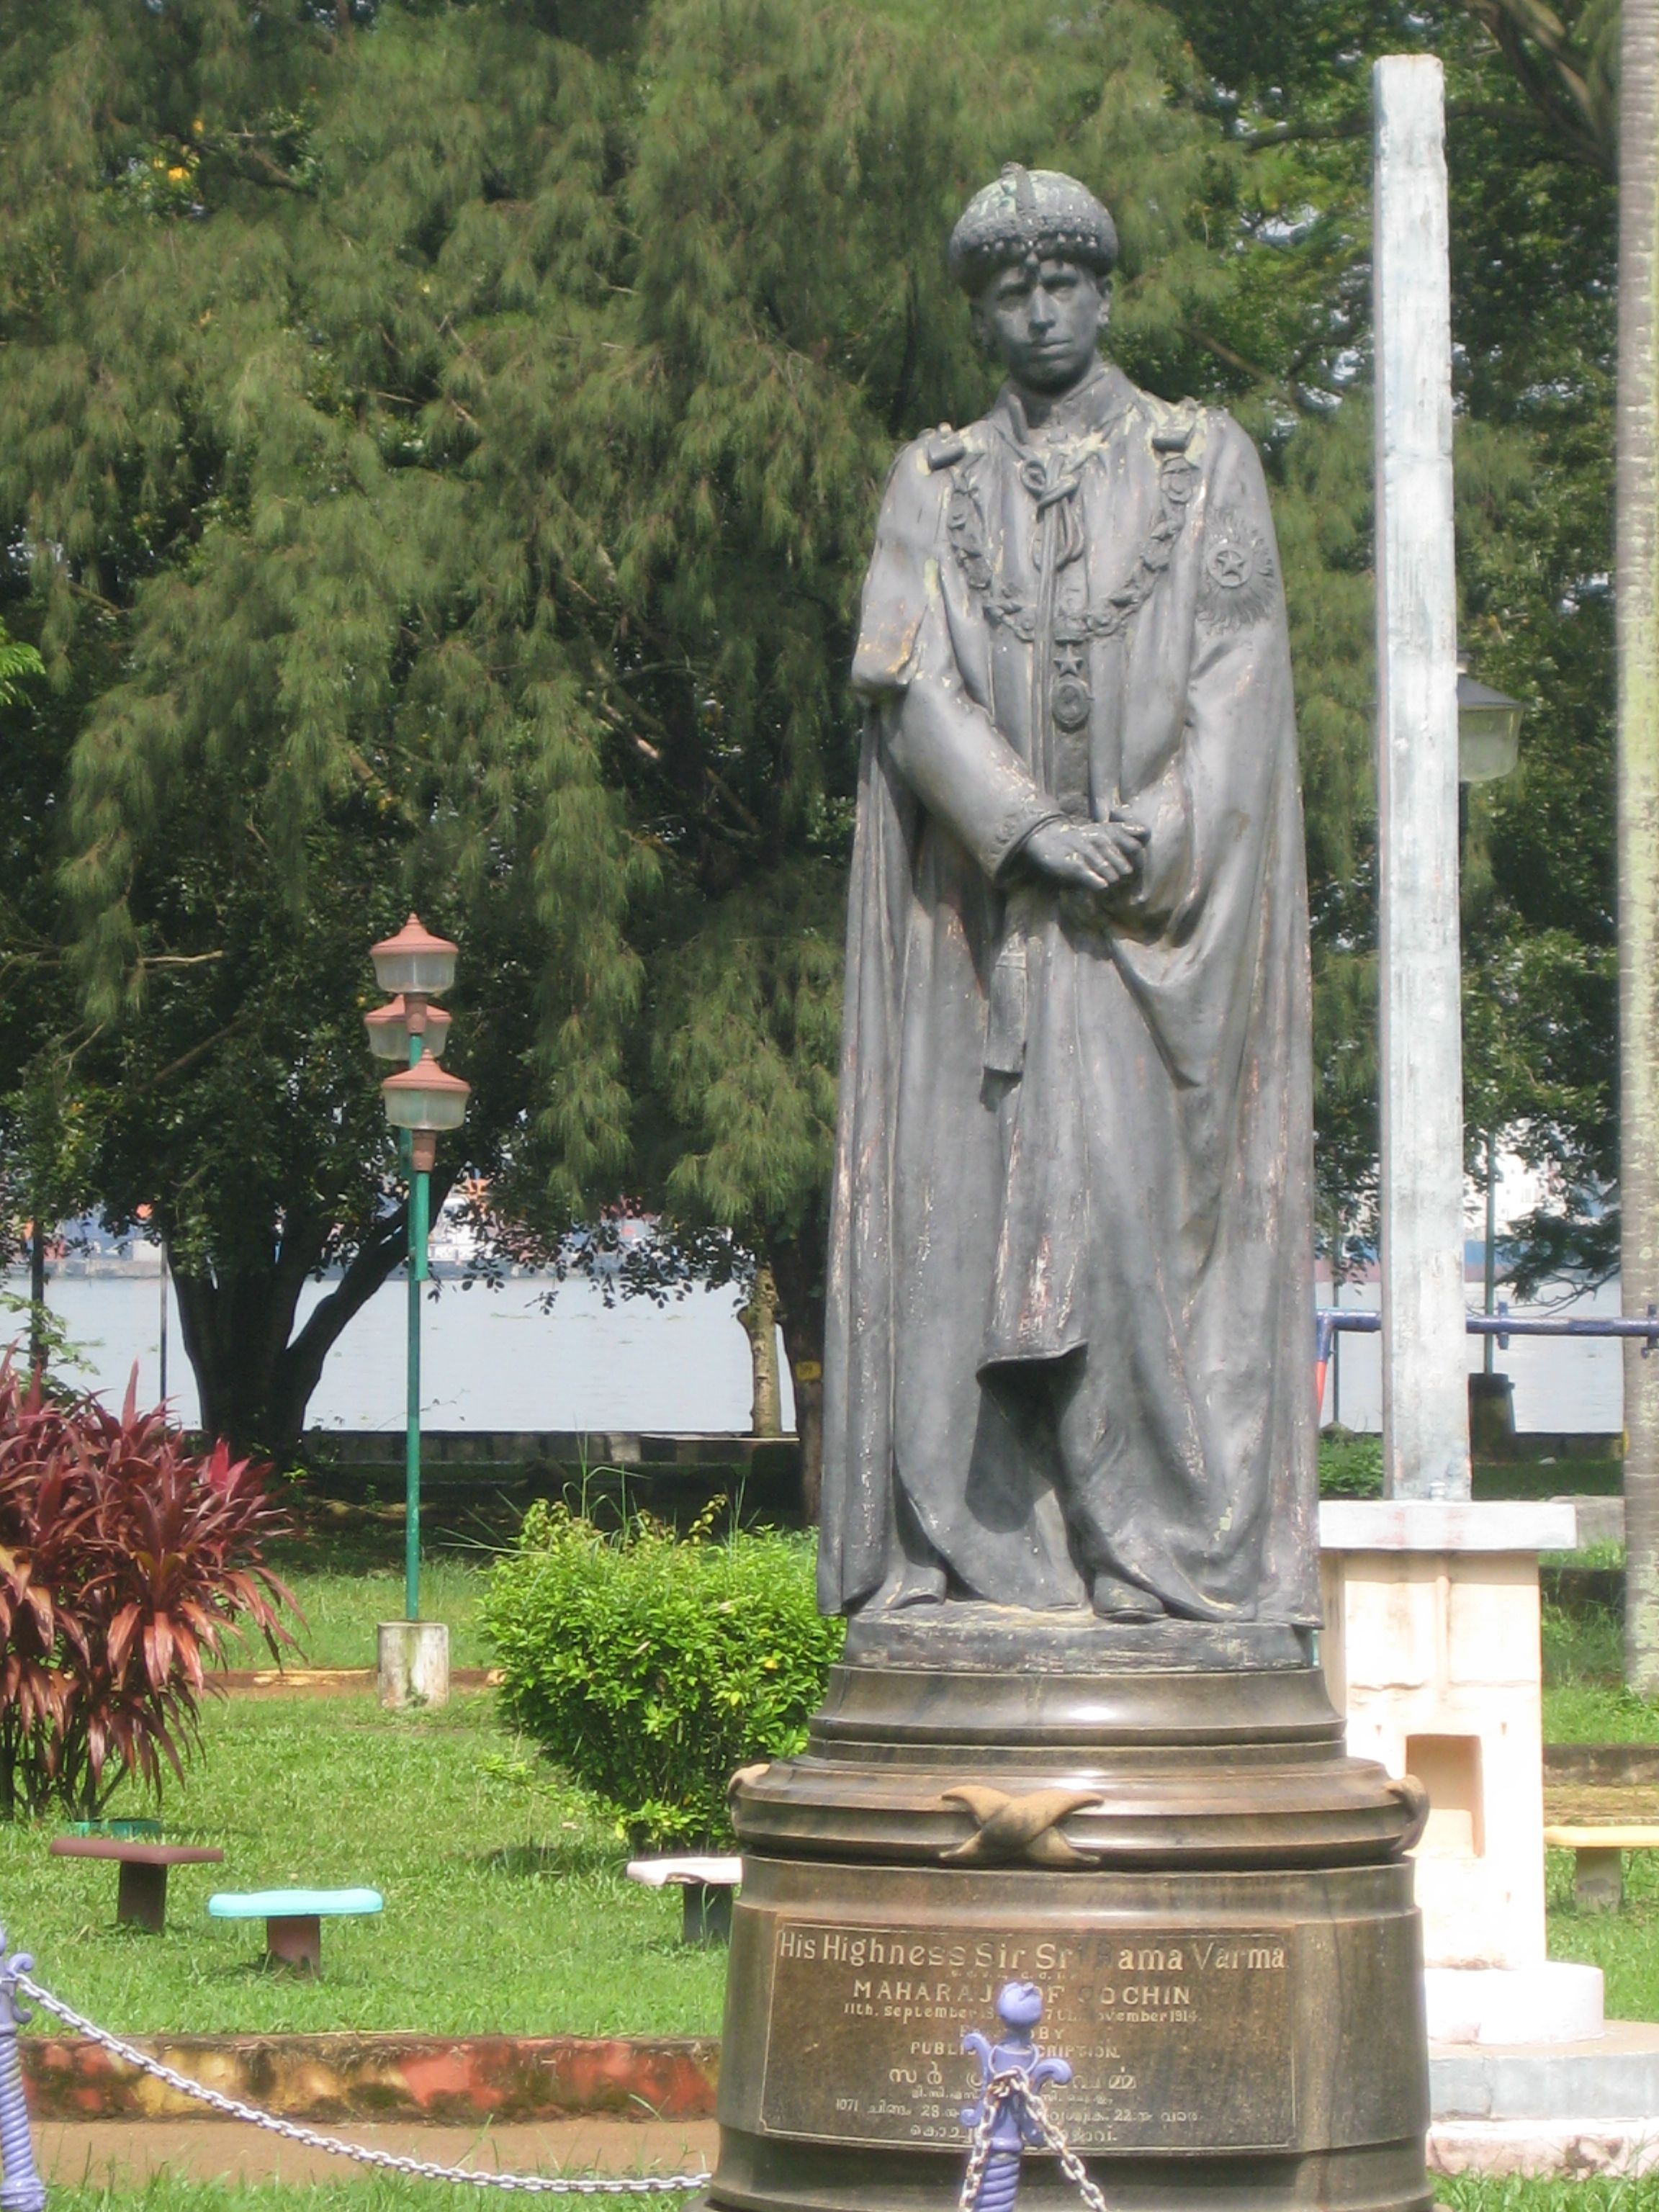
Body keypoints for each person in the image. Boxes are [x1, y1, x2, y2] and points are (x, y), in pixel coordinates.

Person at [819, 165, 1318, 1626]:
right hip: (985, 933)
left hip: (1158, 936)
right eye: (1009, 294)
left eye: (1064, 285)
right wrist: (1026, 828)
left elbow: (1238, 679)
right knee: (980, 1232)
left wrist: (1149, 837)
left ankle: (1161, 1555)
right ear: (979, 315)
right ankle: (990, 1553)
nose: (1041, 315)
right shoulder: (938, 481)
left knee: (1139, 1239)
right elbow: (905, 675)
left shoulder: (1201, 461)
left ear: (1107, 291)